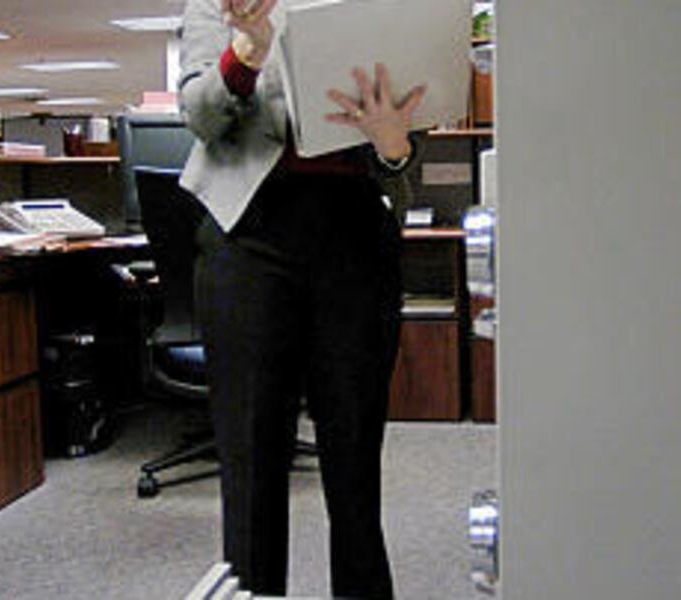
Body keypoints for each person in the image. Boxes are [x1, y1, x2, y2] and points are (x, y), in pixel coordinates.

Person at [178, 0, 426, 597]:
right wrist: (248, 50)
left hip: (355, 236)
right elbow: (199, 115)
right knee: (252, 458)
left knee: (355, 455)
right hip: (250, 232)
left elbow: (401, 150)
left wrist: (394, 145)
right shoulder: (225, 2)